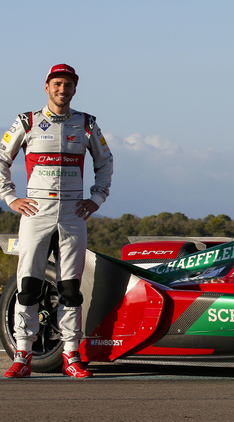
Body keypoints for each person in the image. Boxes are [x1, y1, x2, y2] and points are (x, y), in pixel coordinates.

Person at [1, 64, 114, 378]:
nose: (62, 90)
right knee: (28, 285)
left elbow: (105, 162)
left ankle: (71, 355)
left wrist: (96, 198)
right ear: (47, 86)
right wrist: (11, 198)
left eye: (68, 85)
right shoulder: (27, 120)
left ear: (75, 89)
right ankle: (23, 355)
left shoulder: (87, 124)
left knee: (70, 287)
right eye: (57, 84)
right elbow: (1, 160)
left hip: (72, 213)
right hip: (35, 212)